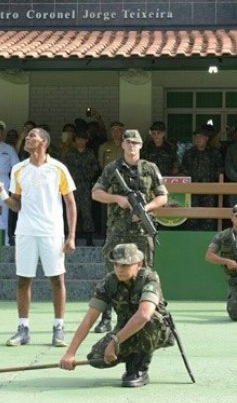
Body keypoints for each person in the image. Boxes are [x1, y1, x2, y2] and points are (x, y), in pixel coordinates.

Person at [0, 127, 77, 347]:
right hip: (25, 231)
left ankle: (58, 328)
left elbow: (70, 203)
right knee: (23, 280)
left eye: (32, 136)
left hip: (52, 232)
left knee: (57, 279)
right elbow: (16, 205)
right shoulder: (18, 169)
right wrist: (2, 194)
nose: (27, 138)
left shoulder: (58, 168)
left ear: (44, 141)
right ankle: (23, 329)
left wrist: (71, 236)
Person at [59, 243, 173, 388]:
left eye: (125, 265)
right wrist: (70, 353)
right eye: (116, 265)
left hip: (154, 329)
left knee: (148, 320)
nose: (119, 269)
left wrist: (115, 342)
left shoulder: (149, 278)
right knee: (97, 358)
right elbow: (89, 319)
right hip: (125, 329)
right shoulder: (109, 282)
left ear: (139, 264)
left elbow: (144, 315)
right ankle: (132, 356)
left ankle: (139, 369)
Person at [91, 130, 168, 333]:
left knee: (146, 273)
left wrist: (145, 209)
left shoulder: (150, 168)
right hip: (118, 230)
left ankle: (148, 316)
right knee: (111, 274)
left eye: (135, 142)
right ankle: (106, 318)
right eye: (128, 142)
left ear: (141, 145)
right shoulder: (112, 168)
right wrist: (118, 199)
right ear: (123, 145)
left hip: (142, 231)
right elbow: (96, 193)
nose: (132, 146)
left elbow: (163, 197)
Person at [180, 128, 224, 231]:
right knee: (192, 217)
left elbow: (220, 168)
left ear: (206, 138)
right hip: (192, 190)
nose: (198, 139)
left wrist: (212, 179)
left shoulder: (214, 153)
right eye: (196, 137)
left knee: (208, 217)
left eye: (200, 137)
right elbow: (183, 168)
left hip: (209, 190)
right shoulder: (189, 153)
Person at [65, 130, 100, 246]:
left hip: (85, 186)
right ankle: (70, 236)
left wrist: (88, 176)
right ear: (75, 140)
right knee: (72, 211)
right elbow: (64, 168)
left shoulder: (90, 153)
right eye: (78, 139)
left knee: (87, 212)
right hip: (72, 187)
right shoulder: (70, 153)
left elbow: (95, 166)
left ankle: (89, 239)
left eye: (83, 139)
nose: (81, 141)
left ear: (86, 140)